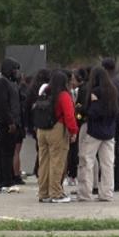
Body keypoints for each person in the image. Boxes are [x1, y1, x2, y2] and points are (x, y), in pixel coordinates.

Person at [77, 66, 119, 202]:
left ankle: (85, 193)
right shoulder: (113, 91)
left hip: (95, 131)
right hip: (109, 131)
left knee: (86, 161)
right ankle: (106, 193)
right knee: (107, 164)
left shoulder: (95, 92)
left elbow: (94, 112)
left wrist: (83, 111)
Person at [36, 70, 78, 202]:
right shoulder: (64, 95)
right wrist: (73, 131)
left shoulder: (44, 92)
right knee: (57, 162)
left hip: (41, 130)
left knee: (43, 162)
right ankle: (56, 193)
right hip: (57, 129)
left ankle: (43, 193)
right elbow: (69, 116)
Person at [0, 58, 23, 193]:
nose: (16, 72)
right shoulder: (1, 83)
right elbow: (2, 104)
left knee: (8, 153)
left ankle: (6, 180)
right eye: (14, 69)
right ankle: (4, 181)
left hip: (13, 122)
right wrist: (10, 121)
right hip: (6, 124)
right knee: (4, 154)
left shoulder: (11, 83)